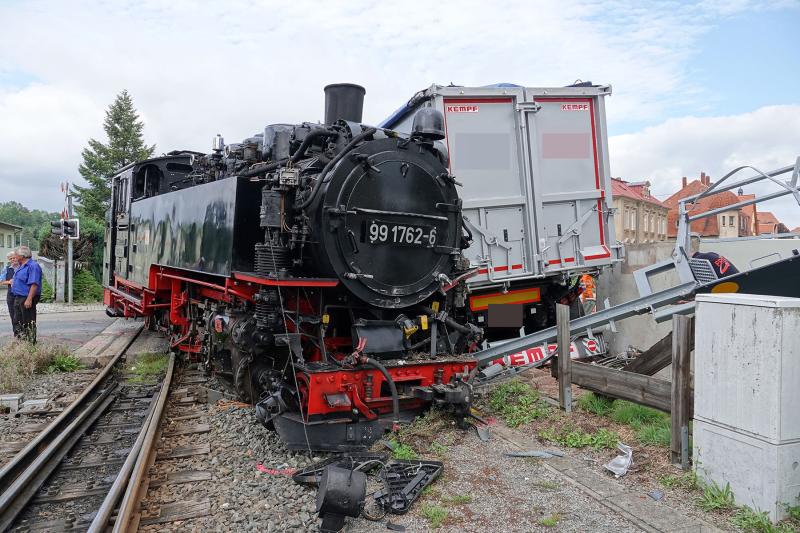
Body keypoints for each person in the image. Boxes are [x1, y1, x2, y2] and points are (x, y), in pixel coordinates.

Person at [10, 246, 42, 343]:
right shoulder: (21, 265)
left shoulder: (33, 266)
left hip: (26, 297)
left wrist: (29, 299)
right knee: (17, 321)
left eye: (16, 255)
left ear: (22, 256)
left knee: (28, 321)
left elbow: (34, 284)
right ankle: (20, 343)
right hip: (18, 297)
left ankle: (30, 344)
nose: (14, 256)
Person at [1, 250, 19, 335]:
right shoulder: (6, 269)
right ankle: (16, 334)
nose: (13, 260)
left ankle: (24, 333)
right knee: (13, 315)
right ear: (9, 260)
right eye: (11, 258)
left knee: (21, 315)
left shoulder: (22, 267)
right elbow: (1, 281)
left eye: (14, 257)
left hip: (21, 295)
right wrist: (10, 282)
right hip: (11, 295)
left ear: (17, 257)